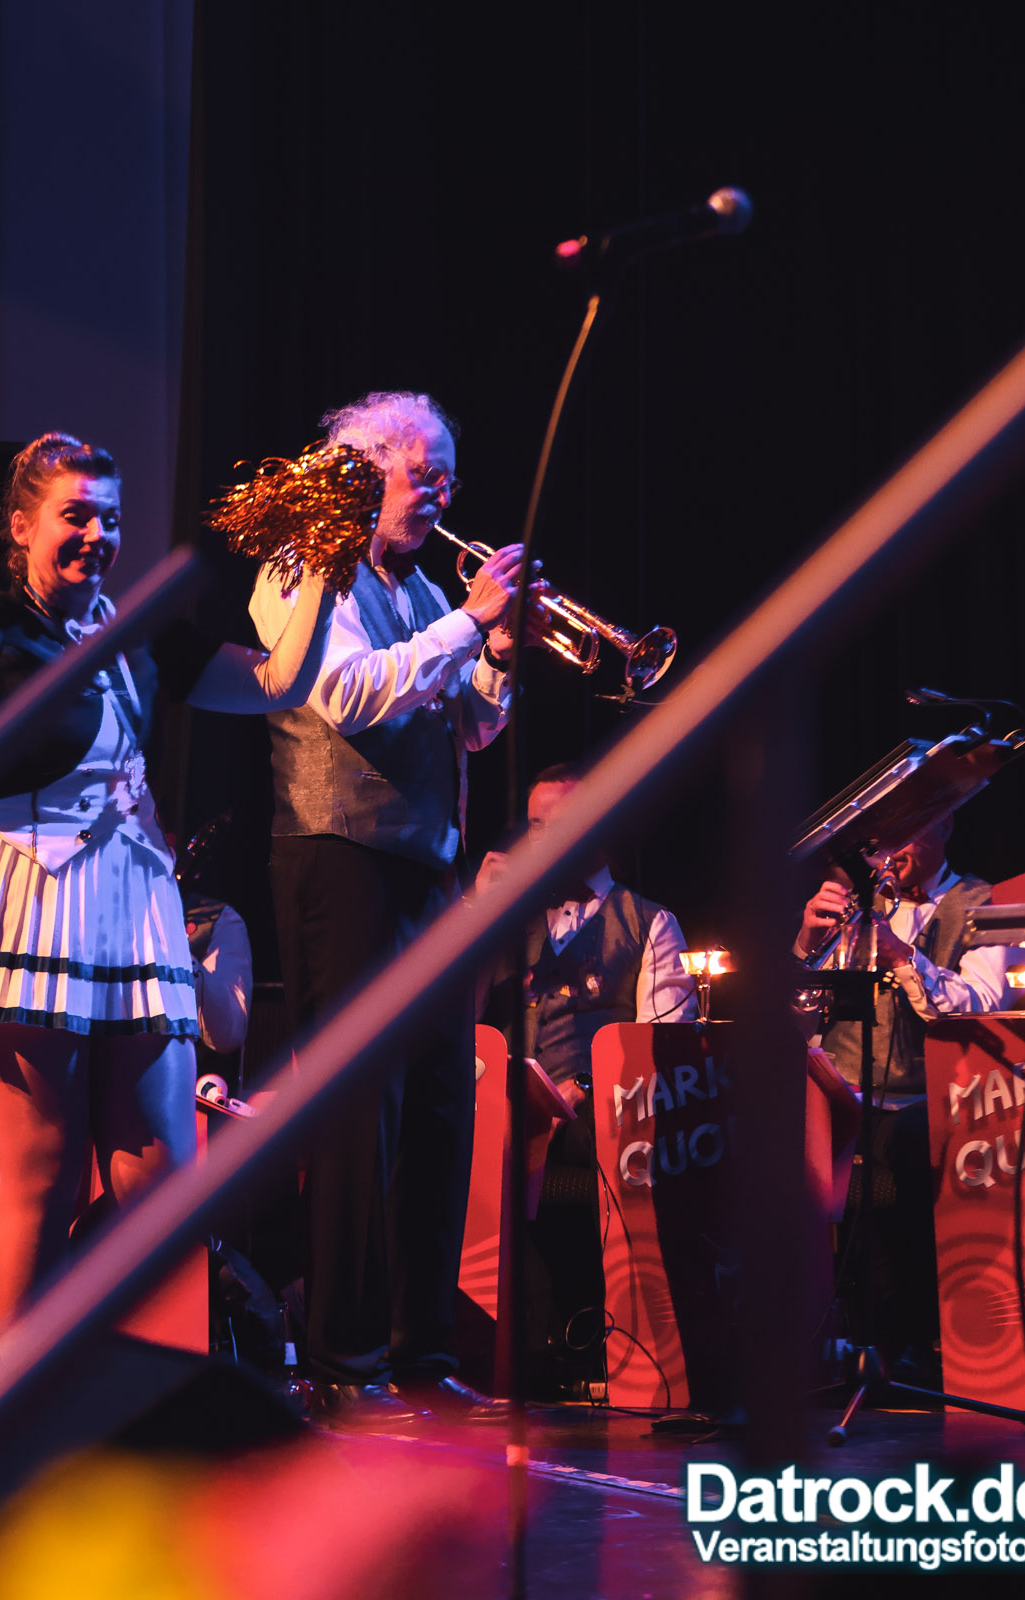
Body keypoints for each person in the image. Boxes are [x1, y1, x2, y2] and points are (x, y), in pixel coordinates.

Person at [0, 434, 332, 1335]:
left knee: (160, 1174)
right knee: (46, 1165)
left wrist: (327, 569)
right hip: (20, 893)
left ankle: (116, 1375)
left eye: (109, 518)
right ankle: (25, 1397)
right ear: (21, 525)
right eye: (75, 515)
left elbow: (274, 682)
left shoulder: (136, 626)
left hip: (128, 897)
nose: (97, 534)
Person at [245, 390, 522, 1420]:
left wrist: (496, 656)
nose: (442, 494)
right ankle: (344, 1358)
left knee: (441, 1103)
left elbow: (471, 731)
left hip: (425, 863)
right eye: (423, 474)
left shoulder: (420, 587)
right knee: (361, 1111)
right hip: (337, 856)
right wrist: (470, 622)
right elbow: (350, 695)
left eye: (447, 474)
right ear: (359, 474)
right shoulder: (298, 570)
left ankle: (419, 1350)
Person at [477, 760, 696, 1391]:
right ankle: (479, 1350)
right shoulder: (507, 919)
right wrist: (475, 918)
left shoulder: (649, 921)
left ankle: (583, 1340)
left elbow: (664, 1050)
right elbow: (447, 1023)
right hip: (503, 1108)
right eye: (536, 827)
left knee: (589, 1138)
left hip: (596, 1114)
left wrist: (589, 1087)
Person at [793, 811, 1011, 1378]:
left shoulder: (983, 903)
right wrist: (805, 948)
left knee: (906, 1143)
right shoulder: (852, 902)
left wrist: (901, 956)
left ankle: (905, 1340)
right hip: (847, 1087)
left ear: (947, 825)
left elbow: (981, 1006)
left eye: (908, 830)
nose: (892, 849)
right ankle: (809, 1336)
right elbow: (793, 1024)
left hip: (933, 1093)